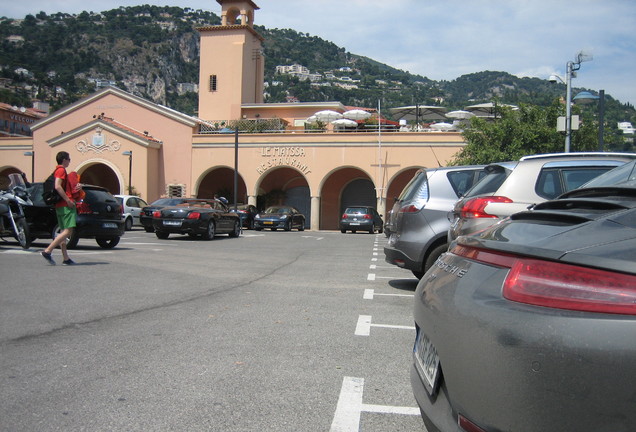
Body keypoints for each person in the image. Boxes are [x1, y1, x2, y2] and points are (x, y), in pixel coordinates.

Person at [41, 151, 80, 265]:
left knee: (63, 231)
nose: (69, 161)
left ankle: (66, 258)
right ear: (64, 160)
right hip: (65, 205)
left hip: (59, 206)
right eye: (69, 159)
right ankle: (48, 250)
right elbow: (57, 185)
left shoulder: (57, 170)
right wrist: (68, 200)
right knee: (68, 231)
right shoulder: (61, 170)